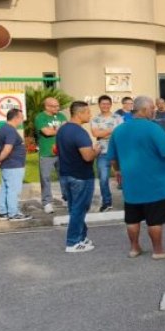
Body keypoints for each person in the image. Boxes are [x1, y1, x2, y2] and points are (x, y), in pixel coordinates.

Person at [110, 96, 165, 259]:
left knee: (132, 218)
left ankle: (134, 248)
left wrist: (118, 171)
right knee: (155, 220)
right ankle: (158, 251)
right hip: (154, 183)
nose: (154, 111)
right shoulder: (153, 128)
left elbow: (113, 159)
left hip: (131, 183)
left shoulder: (119, 130)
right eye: (152, 108)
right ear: (143, 110)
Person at [57, 101, 101, 253]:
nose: (90, 115)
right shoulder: (80, 132)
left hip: (65, 174)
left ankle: (81, 237)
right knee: (79, 209)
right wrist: (96, 150)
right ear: (79, 113)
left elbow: (55, 149)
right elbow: (88, 156)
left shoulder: (62, 130)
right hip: (81, 176)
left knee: (74, 208)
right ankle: (73, 242)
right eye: (88, 112)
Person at [0, 108, 31, 221]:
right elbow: (7, 148)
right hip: (14, 165)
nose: (22, 120)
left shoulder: (3, 128)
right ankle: (13, 214)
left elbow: (1, 147)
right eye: (21, 118)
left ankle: (3, 212)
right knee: (14, 190)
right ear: (16, 118)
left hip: (7, 165)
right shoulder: (10, 131)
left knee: (5, 189)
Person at [90, 95, 123, 212]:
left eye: (107, 104)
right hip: (102, 152)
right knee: (103, 179)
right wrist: (111, 131)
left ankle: (130, 201)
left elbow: (120, 134)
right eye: (103, 104)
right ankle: (107, 202)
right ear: (99, 105)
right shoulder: (95, 119)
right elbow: (95, 134)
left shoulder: (118, 118)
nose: (105, 106)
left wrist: (102, 132)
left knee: (125, 177)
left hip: (118, 152)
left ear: (111, 105)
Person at [35, 97, 67, 214]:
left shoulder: (61, 116)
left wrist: (55, 129)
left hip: (62, 152)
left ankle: (66, 198)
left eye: (58, 106)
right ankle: (47, 202)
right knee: (45, 178)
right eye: (54, 106)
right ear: (47, 106)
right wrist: (59, 128)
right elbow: (46, 132)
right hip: (46, 153)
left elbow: (66, 129)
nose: (57, 108)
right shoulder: (40, 117)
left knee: (64, 176)